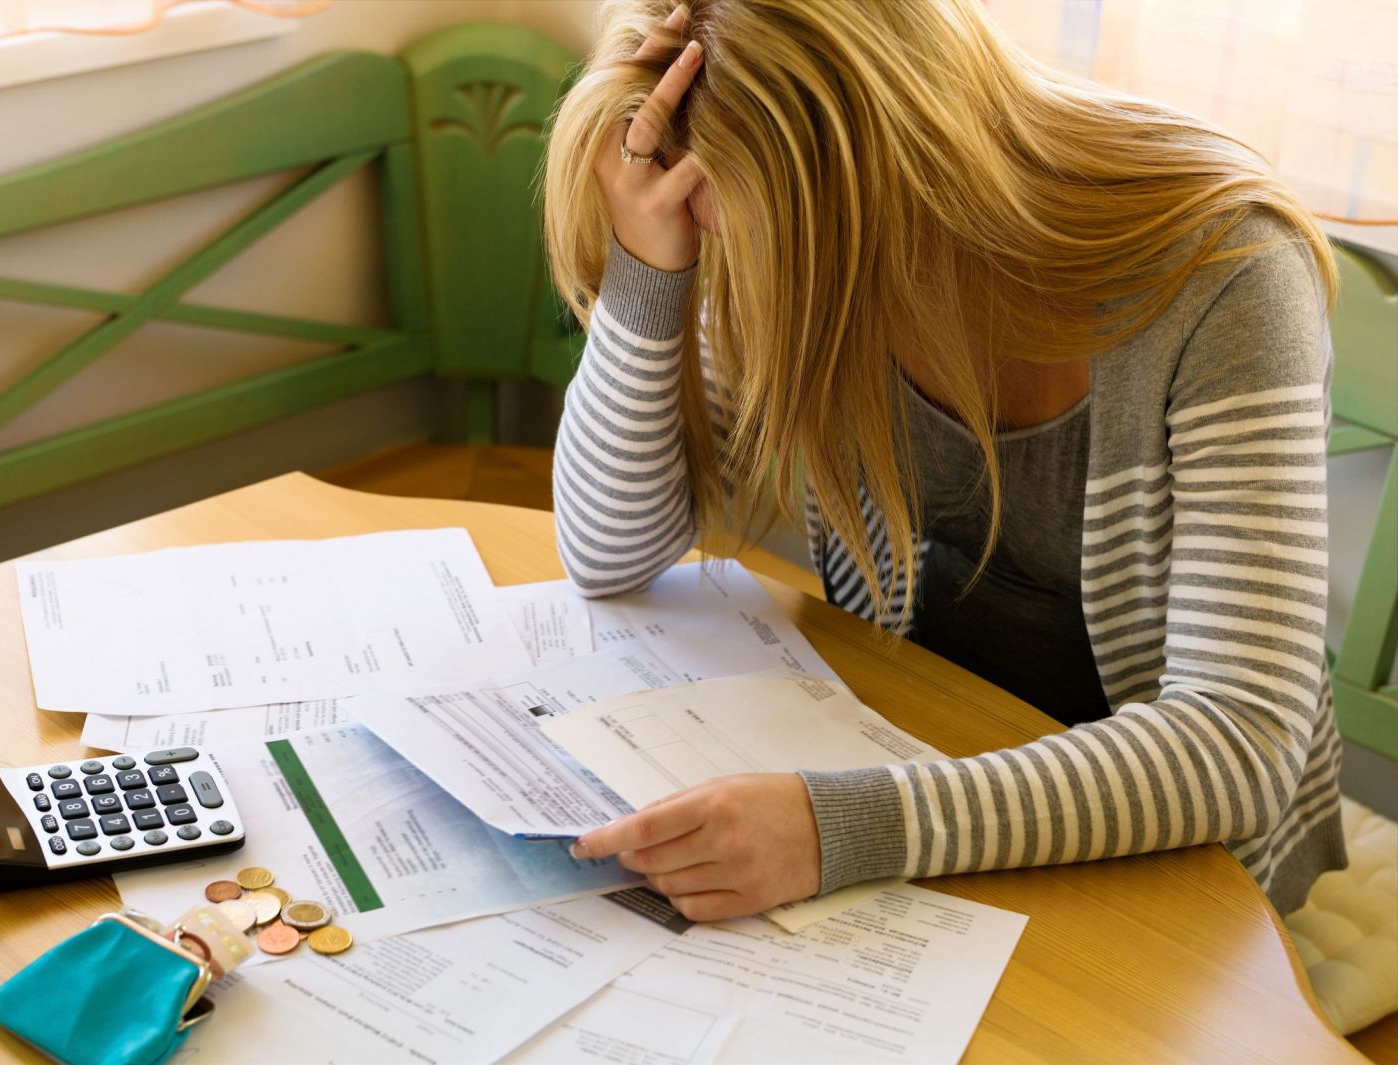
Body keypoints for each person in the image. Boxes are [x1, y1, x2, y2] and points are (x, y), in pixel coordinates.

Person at [543, 0, 1346, 922]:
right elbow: (608, 549)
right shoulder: (795, 237)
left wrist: (839, 824)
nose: (730, 255)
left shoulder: (1228, 268)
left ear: (883, 170)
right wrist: (652, 269)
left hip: (1181, 863)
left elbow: (1238, 743)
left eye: (722, 224)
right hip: (929, 764)